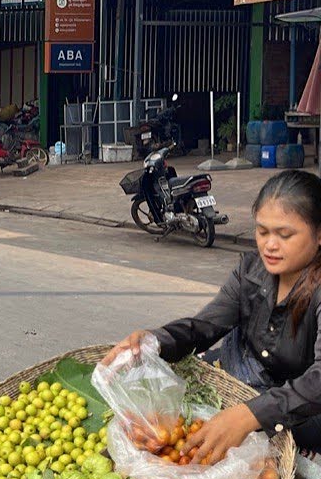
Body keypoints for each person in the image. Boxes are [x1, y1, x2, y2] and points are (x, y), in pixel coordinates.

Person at [103, 170, 321, 460]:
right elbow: (205, 326)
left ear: (319, 235)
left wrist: (250, 415)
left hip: (303, 409)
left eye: (285, 235)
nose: (269, 245)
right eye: (262, 231)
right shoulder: (251, 271)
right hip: (244, 382)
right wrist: (155, 341)